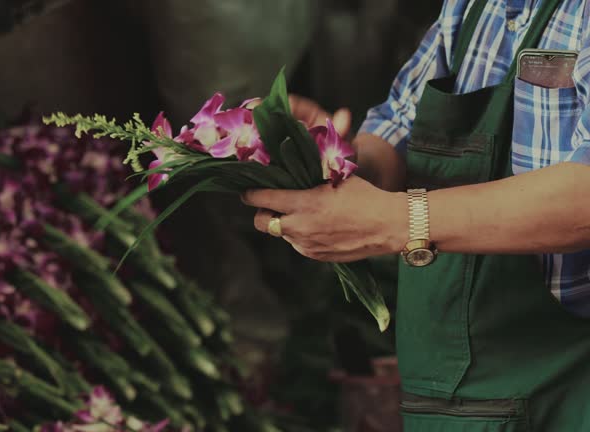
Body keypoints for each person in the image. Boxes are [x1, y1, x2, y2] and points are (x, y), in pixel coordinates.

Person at [242, 0, 590, 430]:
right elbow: (400, 131)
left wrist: (396, 221)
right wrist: (328, 156)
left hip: (570, 386)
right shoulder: (470, 9)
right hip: (455, 396)